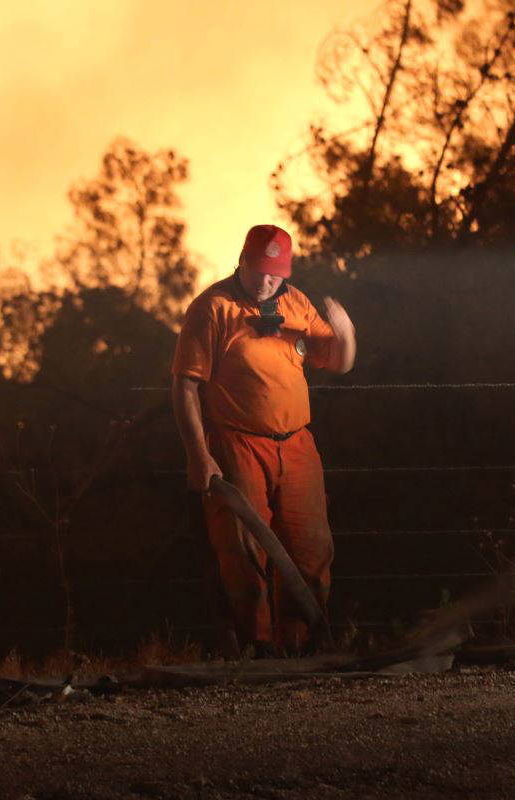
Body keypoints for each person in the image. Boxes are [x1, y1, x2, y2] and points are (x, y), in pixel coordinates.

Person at [171, 224, 356, 655]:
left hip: (296, 443)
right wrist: (199, 455)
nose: (266, 281)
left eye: (275, 274)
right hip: (237, 444)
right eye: (259, 271)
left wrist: (346, 333)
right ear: (242, 260)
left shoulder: (295, 303)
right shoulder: (212, 308)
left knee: (311, 546)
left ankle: (303, 643)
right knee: (243, 547)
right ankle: (256, 647)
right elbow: (184, 385)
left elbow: (339, 362)